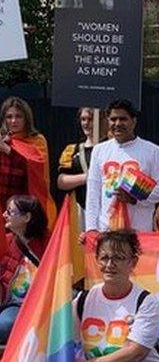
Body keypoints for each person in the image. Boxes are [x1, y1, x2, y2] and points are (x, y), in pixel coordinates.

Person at [74, 229, 159, 361]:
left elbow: (134, 352)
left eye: (118, 258)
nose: (110, 265)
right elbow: (60, 338)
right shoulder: (82, 301)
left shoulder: (146, 302)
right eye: (104, 258)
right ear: (97, 260)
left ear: (133, 262)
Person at [85, 100, 159, 233]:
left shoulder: (152, 150)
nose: (117, 123)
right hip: (107, 229)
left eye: (123, 119)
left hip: (139, 230)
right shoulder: (99, 150)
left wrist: (134, 198)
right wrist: (91, 228)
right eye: (113, 119)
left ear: (134, 121)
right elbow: (93, 193)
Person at [0, 195, 48, 341]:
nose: (4, 215)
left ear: (27, 217)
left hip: (38, 304)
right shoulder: (6, 241)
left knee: (5, 326)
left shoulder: (49, 241)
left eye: (10, 211)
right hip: (11, 302)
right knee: (5, 324)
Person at [0, 97, 54, 225]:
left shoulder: (37, 141)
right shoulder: (2, 138)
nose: (13, 121)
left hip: (23, 209)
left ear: (26, 119)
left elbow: (36, 171)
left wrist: (8, 150)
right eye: (9, 117)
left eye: (19, 116)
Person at [56, 107, 105, 210]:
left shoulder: (112, 147)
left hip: (108, 207)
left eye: (90, 119)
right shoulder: (73, 150)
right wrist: (87, 177)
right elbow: (61, 182)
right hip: (81, 208)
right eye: (83, 119)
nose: (86, 123)